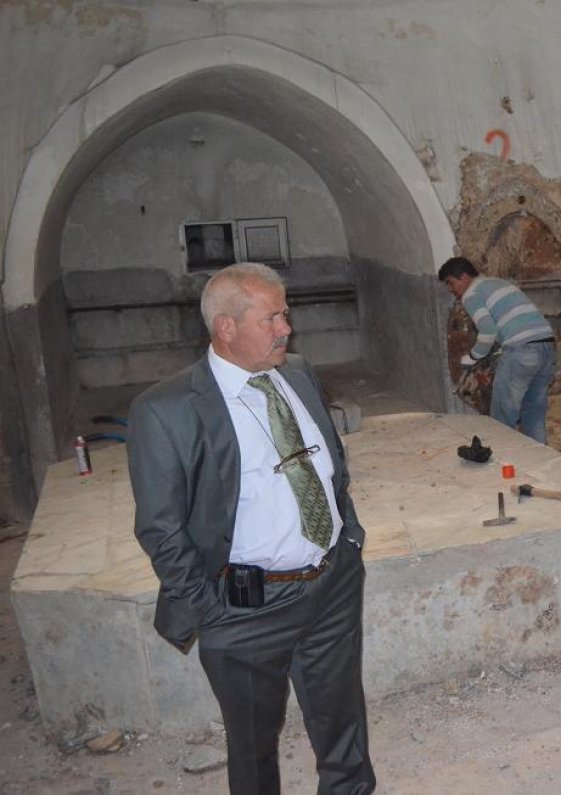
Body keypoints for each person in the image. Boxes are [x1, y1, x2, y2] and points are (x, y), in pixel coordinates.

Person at [128, 262, 375, 795]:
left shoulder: (298, 373)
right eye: (272, 319)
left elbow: (330, 465)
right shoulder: (166, 410)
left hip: (331, 584)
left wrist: (348, 539)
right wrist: (210, 608)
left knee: (342, 721)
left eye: (285, 314)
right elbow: (160, 529)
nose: (286, 328)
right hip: (244, 607)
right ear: (227, 327)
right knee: (254, 745)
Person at [438, 256, 557, 443]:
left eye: (450, 283)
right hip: (546, 347)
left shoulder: (471, 294)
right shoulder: (498, 283)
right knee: (533, 412)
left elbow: (488, 331)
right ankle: (540, 457)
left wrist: (472, 357)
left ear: (464, 277)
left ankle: (503, 457)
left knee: (502, 417)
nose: (451, 290)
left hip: (521, 350)